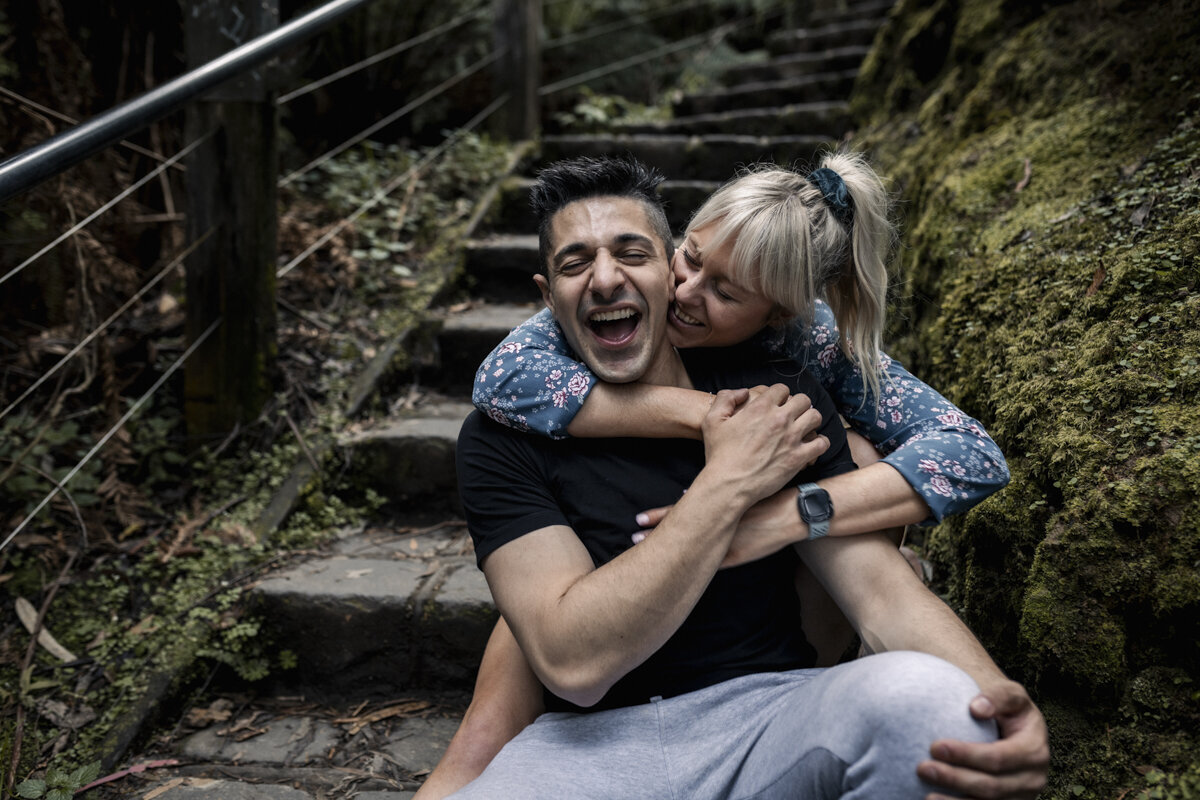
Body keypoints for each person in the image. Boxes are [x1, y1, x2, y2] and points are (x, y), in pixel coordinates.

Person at [436, 156, 1048, 799]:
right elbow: (572, 663)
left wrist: (999, 705)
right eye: (575, 263)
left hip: (769, 718)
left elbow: (882, 594)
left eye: (632, 253)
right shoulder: (510, 420)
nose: (607, 279)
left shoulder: (789, 388)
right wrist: (726, 459)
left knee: (934, 702)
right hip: (587, 749)